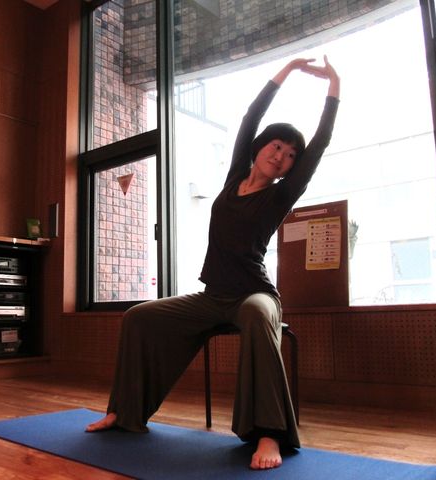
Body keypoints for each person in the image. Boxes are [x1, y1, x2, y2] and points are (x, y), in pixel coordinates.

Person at [86, 56, 340, 470]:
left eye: (291, 154)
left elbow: (322, 140)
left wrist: (333, 84)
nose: (281, 156)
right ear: (260, 148)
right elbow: (251, 116)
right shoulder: (234, 177)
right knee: (138, 317)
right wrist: (290, 69)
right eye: (276, 146)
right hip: (212, 297)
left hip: (255, 295)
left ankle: (269, 434)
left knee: (257, 314)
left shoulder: (281, 195)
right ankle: (123, 412)